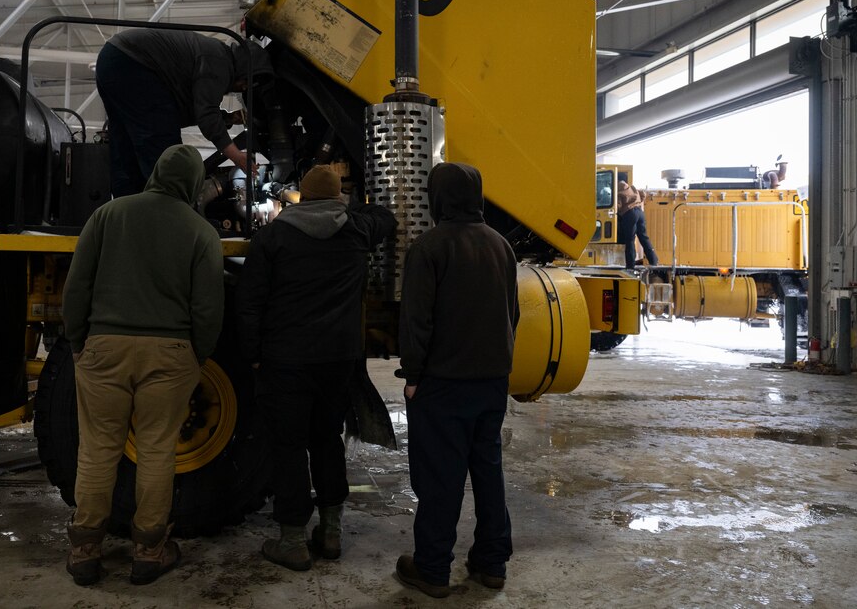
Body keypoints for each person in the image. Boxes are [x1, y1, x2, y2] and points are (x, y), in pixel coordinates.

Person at [62, 144, 224, 587]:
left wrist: (79, 342)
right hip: (169, 353)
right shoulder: (200, 231)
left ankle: (85, 550)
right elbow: (208, 307)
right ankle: (149, 551)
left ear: (154, 173)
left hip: (104, 347)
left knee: (97, 448)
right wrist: (198, 355)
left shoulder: (108, 216)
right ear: (194, 184)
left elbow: (77, 287)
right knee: (156, 449)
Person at [238, 165, 396, 572]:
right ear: (338, 198)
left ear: (301, 197)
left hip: (285, 359)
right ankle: (330, 532)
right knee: (326, 439)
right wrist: (354, 206)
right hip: (337, 360)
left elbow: (250, 302)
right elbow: (387, 218)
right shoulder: (357, 231)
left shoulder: (272, 237)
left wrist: (253, 354)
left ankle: (292, 540)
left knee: (287, 445)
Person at [394, 162, 519, 599]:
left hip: (443, 383)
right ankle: (492, 562)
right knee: (488, 471)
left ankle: (431, 568)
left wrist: (413, 375)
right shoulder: (501, 246)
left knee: (440, 476)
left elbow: (416, 320)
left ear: (437, 197)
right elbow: (513, 314)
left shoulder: (430, 247)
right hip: (491, 381)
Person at [95, 28, 274, 197]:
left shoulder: (213, 56)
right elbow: (206, 114)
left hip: (113, 60)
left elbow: (190, 109)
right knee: (166, 154)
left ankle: (128, 207)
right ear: (244, 67)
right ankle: (170, 210)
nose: (243, 87)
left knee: (124, 147)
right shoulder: (220, 60)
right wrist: (236, 156)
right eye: (247, 82)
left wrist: (226, 118)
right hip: (133, 64)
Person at [617, 179, 658, 269]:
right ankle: (654, 260)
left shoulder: (619, 192)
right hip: (640, 212)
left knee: (630, 241)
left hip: (629, 214)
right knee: (643, 237)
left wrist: (617, 212)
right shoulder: (632, 189)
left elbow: (618, 205)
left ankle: (630, 266)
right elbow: (643, 194)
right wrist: (637, 203)